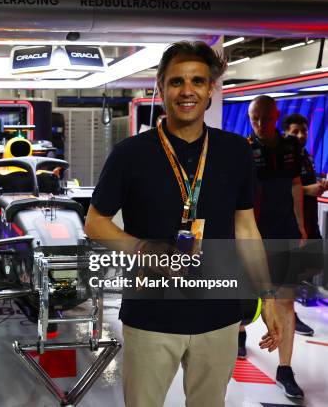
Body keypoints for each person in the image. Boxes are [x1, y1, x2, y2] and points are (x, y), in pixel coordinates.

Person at [85, 41, 280, 407]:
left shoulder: (235, 151)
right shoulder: (130, 154)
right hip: (151, 314)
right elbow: (95, 223)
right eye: (176, 82)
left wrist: (267, 295)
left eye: (197, 81)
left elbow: (246, 228)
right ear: (160, 90)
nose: (187, 91)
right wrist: (142, 248)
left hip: (219, 313)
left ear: (210, 90)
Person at [240, 96, 306, 399]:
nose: (261, 124)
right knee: (243, 298)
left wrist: (301, 224)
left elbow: (295, 185)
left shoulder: (292, 147)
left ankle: (285, 368)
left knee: (285, 301)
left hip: (284, 233)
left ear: (276, 116)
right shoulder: (242, 149)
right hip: (250, 233)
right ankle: (240, 335)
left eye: (266, 118)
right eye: (256, 118)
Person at [283, 113, 326, 336]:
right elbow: (281, 190)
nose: (300, 135)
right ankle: (289, 312)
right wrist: (309, 190)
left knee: (316, 262)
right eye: (295, 131)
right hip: (290, 223)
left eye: (304, 131)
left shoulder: (306, 156)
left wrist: (318, 186)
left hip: (309, 220)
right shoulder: (284, 157)